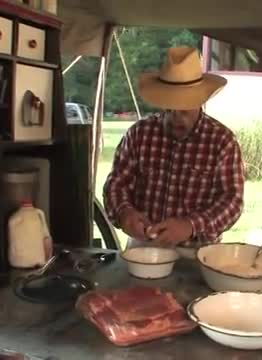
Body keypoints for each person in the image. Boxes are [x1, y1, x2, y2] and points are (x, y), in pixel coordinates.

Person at [103, 46, 245, 248]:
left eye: (184, 108)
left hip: (197, 252)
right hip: (143, 247)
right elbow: (116, 184)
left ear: (200, 101)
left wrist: (190, 225)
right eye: (169, 107)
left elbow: (232, 201)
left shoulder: (222, 142)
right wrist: (125, 213)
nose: (175, 117)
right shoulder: (139, 134)